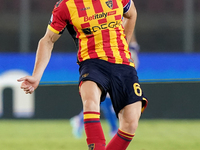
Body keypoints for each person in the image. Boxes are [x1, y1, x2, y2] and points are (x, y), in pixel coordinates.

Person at [18, 0, 148, 149]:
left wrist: (124, 43)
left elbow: (131, 14)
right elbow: (48, 40)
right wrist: (36, 76)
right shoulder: (66, 5)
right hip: (92, 63)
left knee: (131, 121)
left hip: (123, 63)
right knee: (91, 102)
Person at [70, 32, 140, 139]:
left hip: (122, 76)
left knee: (100, 103)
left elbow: (132, 38)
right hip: (112, 75)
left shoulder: (129, 47)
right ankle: (113, 129)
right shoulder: (115, 46)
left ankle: (80, 120)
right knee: (104, 102)